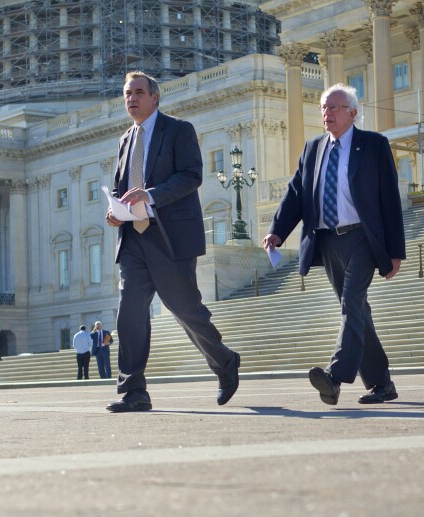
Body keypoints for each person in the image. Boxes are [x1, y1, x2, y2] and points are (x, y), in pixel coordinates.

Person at [104, 71, 240, 413]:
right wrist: (117, 210)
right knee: (130, 312)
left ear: (155, 97)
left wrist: (149, 195)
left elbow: (192, 175)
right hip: (133, 238)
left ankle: (225, 363)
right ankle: (133, 390)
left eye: (138, 92)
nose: (131, 98)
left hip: (169, 236)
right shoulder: (125, 140)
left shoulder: (179, 130)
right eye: (126, 93)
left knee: (185, 309)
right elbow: (123, 188)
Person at [262, 83, 406, 406]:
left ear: (353, 113)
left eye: (335, 107)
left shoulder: (373, 145)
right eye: (324, 107)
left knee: (351, 304)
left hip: (363, 238)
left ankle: (335, 376)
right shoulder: (313, 148)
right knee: (357, 312)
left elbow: (390, 199)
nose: (327, 113)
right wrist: (277, 232)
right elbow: (296, 194)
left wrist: (396, 249)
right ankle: (382, 383)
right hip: (327, 242)